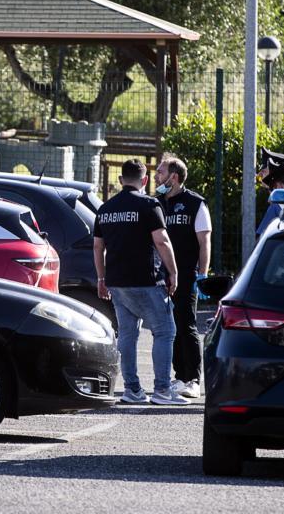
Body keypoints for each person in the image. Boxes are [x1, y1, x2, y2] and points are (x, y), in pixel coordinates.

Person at [93, 159, 188, 405]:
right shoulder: (149, 205)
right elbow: (162, 241)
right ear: (144, 180)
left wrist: (101, 278)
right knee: (165, 331)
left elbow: (97, 246)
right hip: (147, 280)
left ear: (121, 180)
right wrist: (174, 272)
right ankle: (162, 390)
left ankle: (132, 390)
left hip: (117, 282)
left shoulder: (105, 208)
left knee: (127, 334)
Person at [154, 155, 211, 400]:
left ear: (173, 177)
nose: (156, 176)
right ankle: (178, 376)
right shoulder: (155, 203)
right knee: (168, 326)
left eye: (160, 171)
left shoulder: (195, 203)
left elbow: (204, 241)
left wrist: (203, 274)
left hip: (186, 274)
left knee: (186, 323)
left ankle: (193, 379)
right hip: (158, 276)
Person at [256, 147, 284, 237]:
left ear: (280, 185)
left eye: (263, 172)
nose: (260, 177)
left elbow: (261, 238)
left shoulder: (276, 208)